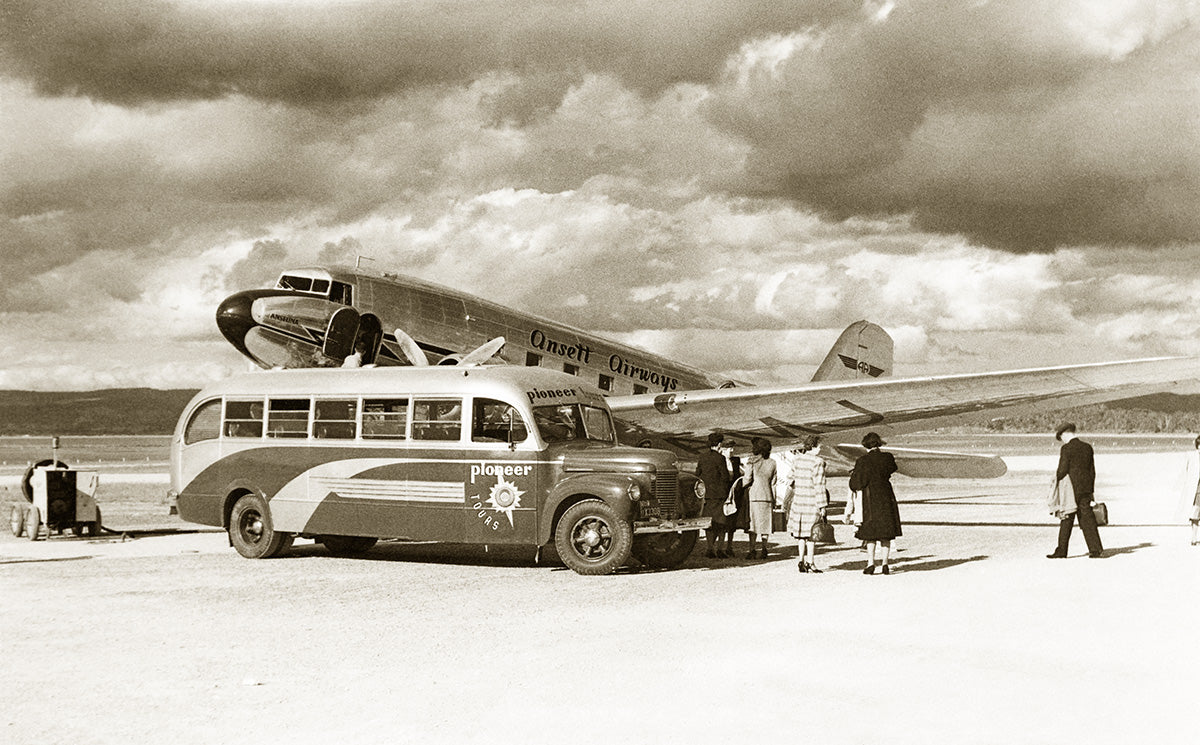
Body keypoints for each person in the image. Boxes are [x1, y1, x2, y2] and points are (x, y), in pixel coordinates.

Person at [1047, 423, 1104, 559]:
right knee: (1087, 519)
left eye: (1061, 437)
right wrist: (1091, 491)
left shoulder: (1066, 448)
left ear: (1065, 434)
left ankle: (1062, 550)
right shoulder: (1087, 447)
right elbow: (1092, 471)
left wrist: (1055, 479)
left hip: (1071, 489)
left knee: (1066, 519)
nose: (1062, 440)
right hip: (1085, 488)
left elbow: (1062, 470)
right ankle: (1095, 550)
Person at [848, 432, 902, 575]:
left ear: (865, 445)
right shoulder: (887, 457)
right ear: (879, 444)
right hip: (885, 495)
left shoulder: (862, 461)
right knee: (886, 532)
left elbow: (855, 484)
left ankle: (871, 563)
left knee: (870, 533)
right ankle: (885, 564)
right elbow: (892, 468)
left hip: (870, 498)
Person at [786, 435, 828, 573]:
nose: (820, 449)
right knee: (812, 533)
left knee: (801, 534)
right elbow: (819, 485)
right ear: (814, 446)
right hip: (811, 501)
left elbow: (790, 479)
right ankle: (810, 561)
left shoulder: (797, 459)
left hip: (798, 500)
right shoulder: (818, 462)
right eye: (819, 447)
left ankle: (800, 560)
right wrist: (823, 506)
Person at [695, 432, 732, 559]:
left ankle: (710, 548)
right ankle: (720, 549)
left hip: (707, 494)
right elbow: (725, 477)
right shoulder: (720, 458)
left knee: (709, 523)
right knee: (722, 523)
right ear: (720, 444)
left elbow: (697, 474)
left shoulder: (702, 457)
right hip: (719, 494)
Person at [742, 437, 777, 559]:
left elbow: (747, 479)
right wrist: (774, 499)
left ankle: (752, 549)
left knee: (753, 525)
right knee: (765, 525)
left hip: (755, 495)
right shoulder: (772, 463)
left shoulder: (752, 461)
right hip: (767, 496)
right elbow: (773, 483)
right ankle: (764, 548)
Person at [721, 440, 746, 557]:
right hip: (722, 493)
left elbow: (741, 473)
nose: (731, 450)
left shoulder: (736, 460)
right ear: (722, 449)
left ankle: (729, 546)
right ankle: (719, 546)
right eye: (728, 448)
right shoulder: (719, 460)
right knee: (721, 521)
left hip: (734, 495)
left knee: (732, 522)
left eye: (732, 448)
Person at [1182, 435, 1200, 545]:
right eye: (1199, 446)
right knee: (1195, 514)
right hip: (1196, 490)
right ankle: (1193, 537)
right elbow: (1188, 473)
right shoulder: (1192, 458)